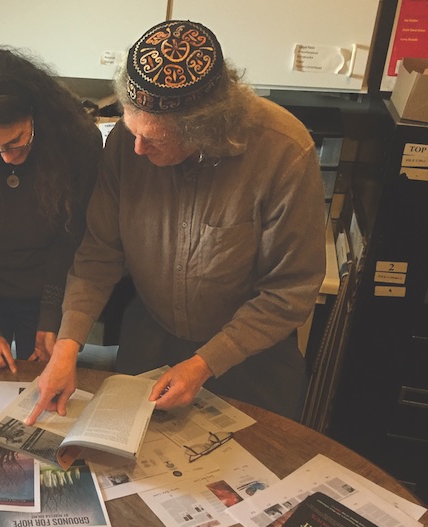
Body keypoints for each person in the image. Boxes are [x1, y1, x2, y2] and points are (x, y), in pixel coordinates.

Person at [26, 20, 325, 425]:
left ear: (206, 129)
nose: (137, 148)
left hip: (251, 359)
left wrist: (204, 363)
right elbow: (99, 252)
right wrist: (66, 347)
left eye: (155, 140)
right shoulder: (127, 146)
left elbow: (288, 292)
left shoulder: (283, 152)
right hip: (150, 342)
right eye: (132, 130)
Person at [0, 48, 102, 372]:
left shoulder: (78, 140)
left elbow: (71, 236)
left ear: (35, 113)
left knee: (40, 381)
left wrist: (52, 313)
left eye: (16, 142)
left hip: (48, 288)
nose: (7, 158)